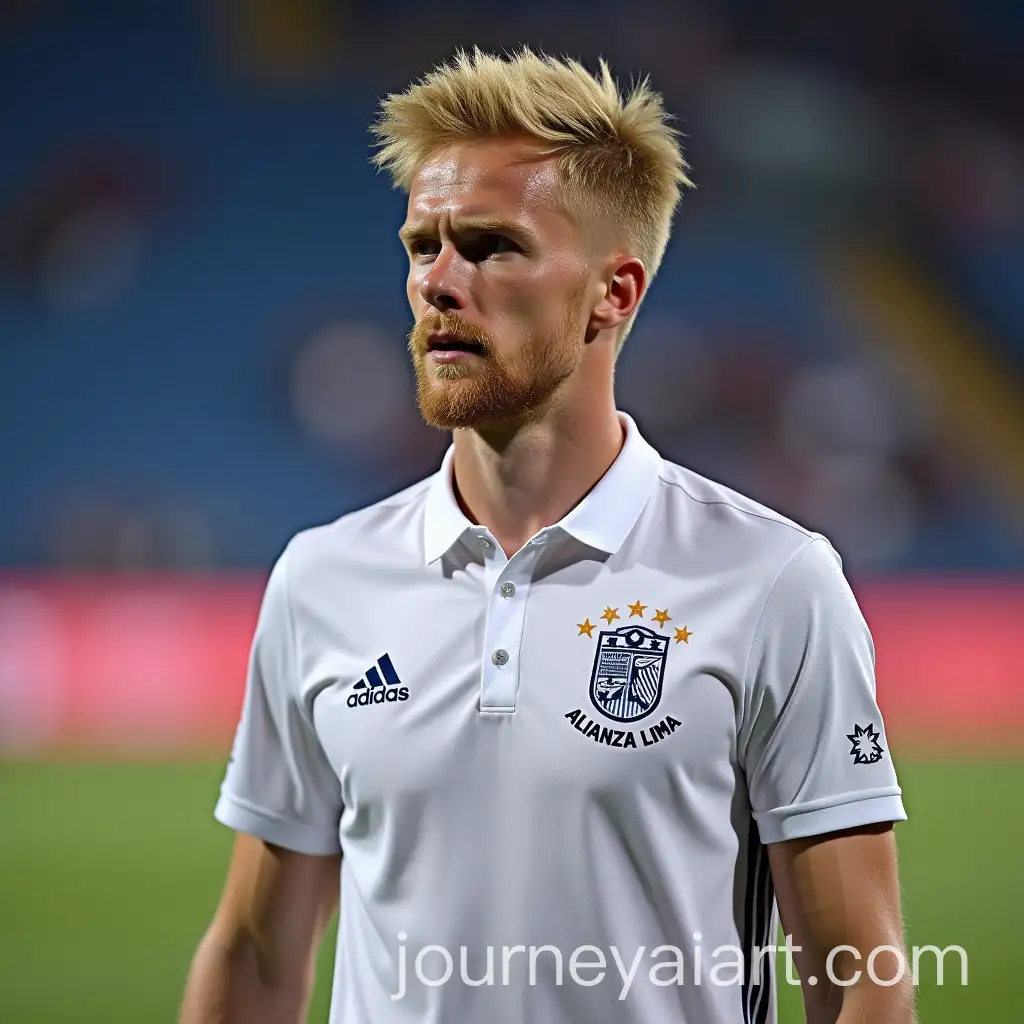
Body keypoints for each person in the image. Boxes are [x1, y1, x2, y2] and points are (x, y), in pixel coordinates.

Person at [179, 47, 913, 1024]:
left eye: (490, 247)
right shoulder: (322, 578)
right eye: (420, 246)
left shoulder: (773, 580)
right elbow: (258, 950)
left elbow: (862, 976)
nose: (437, 282)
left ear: (614, 293)